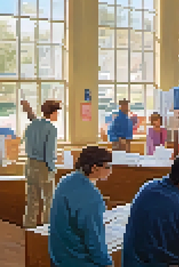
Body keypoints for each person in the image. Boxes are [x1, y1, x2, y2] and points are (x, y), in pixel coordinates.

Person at [49, 146, 113, 267]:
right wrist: (106, 263)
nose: (111, 170)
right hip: (79, 260)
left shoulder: (65, 181)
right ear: (94, 168)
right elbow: (93, 238)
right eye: (108, 166)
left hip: (58, 256)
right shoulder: (91, 195)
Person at [23, 100, 61, 228]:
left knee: (32, 199)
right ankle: (47, 228)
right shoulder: (51, 128)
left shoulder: (32, 125)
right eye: (57, 112)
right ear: (53, 112)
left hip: (29, 164)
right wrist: (52, 168)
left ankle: (29, 227)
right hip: (43, 166)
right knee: (49, 199)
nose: (58, 116)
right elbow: (49, 152)